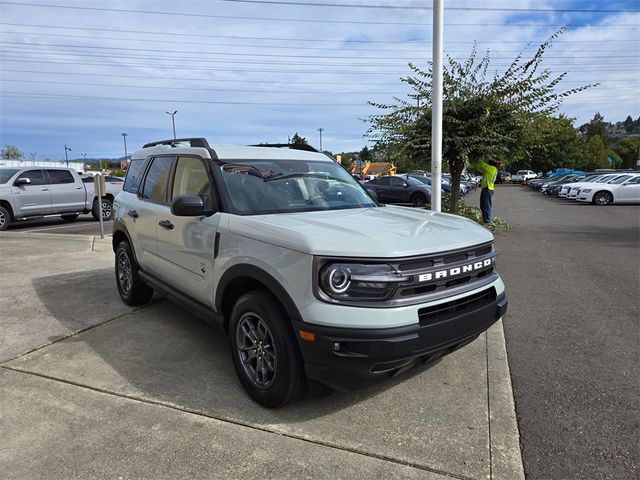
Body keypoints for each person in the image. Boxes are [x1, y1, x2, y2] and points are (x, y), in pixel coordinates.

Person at [475, 157, 499, 225]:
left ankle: (487, 221)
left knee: (486, 206)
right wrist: (476, 164)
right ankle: (485, 219)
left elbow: (483, 165)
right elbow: (479, 168)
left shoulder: (492, 168)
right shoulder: (488, 170)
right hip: (486, 189)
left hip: (488, 189)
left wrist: (478, 159)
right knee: (483, 205)